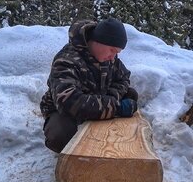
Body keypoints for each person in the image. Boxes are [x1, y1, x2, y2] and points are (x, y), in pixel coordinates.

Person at [40, 18, 138, 153]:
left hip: (96, 98)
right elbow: (69, 102)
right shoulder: (66, 60)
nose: (113, 57)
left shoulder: (108, 57)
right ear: (99, 41)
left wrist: (111, 97)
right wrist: (116, 108)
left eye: (117, 53)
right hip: (64, 110)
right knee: (60, 135)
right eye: (112, 50)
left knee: (131, 94)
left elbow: (123, 78)